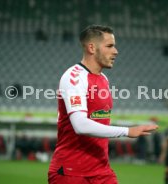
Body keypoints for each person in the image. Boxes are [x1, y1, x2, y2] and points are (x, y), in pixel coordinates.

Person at [48, 25, 158, 184]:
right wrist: (127, 131)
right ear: (91, 48)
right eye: (109, 46)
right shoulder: (73, 78)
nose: (116, 51)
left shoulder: (104, 79)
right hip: (71, 172)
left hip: (101, 171)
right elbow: (81, 125)